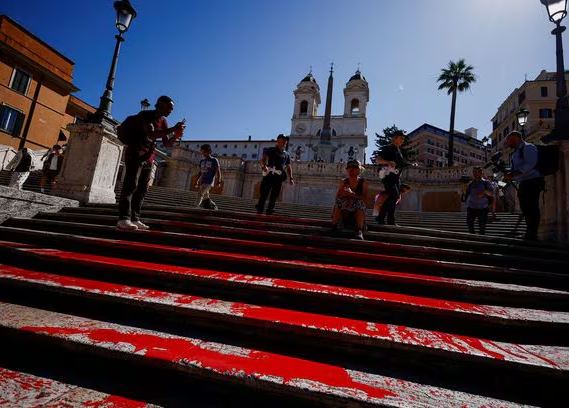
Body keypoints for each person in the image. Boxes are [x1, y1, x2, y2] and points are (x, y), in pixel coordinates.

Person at [117, 95, 186, 231]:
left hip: (149, 157)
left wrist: (175, 136)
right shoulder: (145, 115)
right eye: (169, 108)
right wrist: (172, 129)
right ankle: (123, 218)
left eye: (172, 109)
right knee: (130, 186)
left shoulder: (164, 122)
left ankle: (135, 219)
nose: (171, 111)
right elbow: (151, 134)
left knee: (142, 189)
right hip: (136, 153)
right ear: (160, 105)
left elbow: (166, 143)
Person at [503, 130, 545, 240]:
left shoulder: (528, 148)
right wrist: (509, 174)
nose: (508, 144)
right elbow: (515, 169)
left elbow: (530, 164)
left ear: (516, 139)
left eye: (509, 141)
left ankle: (533, 233)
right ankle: (529, 231)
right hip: (523, 182)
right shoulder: (515, 153)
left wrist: (514, 174)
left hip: (533, 181)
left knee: (532, 207)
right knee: (525, 208)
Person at [374, 130, 408, 225]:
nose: (402, 140)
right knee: (395, 196)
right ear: (394, 138)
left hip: (396, 177)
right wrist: (388, 162)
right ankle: (380, 216)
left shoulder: (399, 150)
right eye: (400, 138)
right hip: (388, 176)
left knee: (395, 198)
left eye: (403, 138)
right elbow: (377, 160)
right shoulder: (388, 148)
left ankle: (391, 221)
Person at [255, 134, 294, 215]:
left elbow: (288, 167)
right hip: (269, 174)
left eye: (285, 141)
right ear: (278, 141)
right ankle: (260, 209)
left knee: (275, 194)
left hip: (278, 177)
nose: (284, 142)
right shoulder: (271, 150)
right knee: (264, 192)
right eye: (282, 140)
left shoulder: (287, 154)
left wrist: (291, 178)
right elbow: (263, 160)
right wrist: (264, 167)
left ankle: (270, 210)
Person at [332, 160, 369, 240]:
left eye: (355, 166)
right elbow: (338, 198)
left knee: (360, 203)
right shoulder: (343, 182)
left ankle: (359, 230)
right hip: (345, 207)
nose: (351, 168)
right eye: (349, 166)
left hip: (357, 208)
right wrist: (345, 196)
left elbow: (365, 200)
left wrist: (351, 194)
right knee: (339, 202)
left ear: (360, 169)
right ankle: (334, 227)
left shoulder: (363, 183)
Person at [462, 167, 493, 235]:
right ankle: (473, 238)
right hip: (471, 206)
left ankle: (481, 240)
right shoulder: (471, 184)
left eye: (477, 172)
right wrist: (464, 186)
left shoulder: (486, 183)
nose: (475, 174)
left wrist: (484, 191)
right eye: (474, 172)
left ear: (481, 173)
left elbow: (491, 193)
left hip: (482, 207)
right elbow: (466, 193)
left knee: (482, 226)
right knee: (469, 224)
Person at [195, 144, 222, 208]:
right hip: (202, 181)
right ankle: (213, 206)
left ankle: (196, 207)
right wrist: (196, 181)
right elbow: (200, 172)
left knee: (200, 193)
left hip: (209, 182)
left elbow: (218, 171)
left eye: (204, 151)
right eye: (202, 151)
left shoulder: (214, 160)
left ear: (209, 151)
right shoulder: (202, 161)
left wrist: (219, 182)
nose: (203, 153)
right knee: (206, 197)